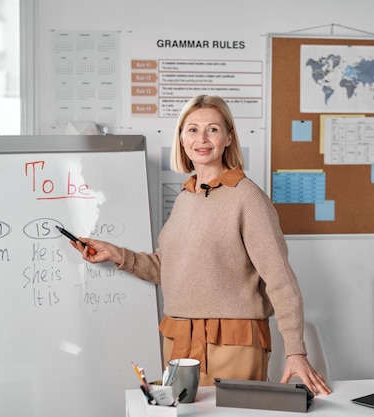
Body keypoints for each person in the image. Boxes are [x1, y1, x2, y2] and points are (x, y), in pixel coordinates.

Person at [70, 95, 331, 395]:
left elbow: (280, 280)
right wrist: (116, 254)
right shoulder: (186, 197)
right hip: (179, 340)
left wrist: (295, 351)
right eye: (192, 129)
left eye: (213, 129)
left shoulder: (247, 198)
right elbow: (167, 268)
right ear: (181, 139)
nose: (202, 138)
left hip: (233, 344)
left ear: (229, 137)